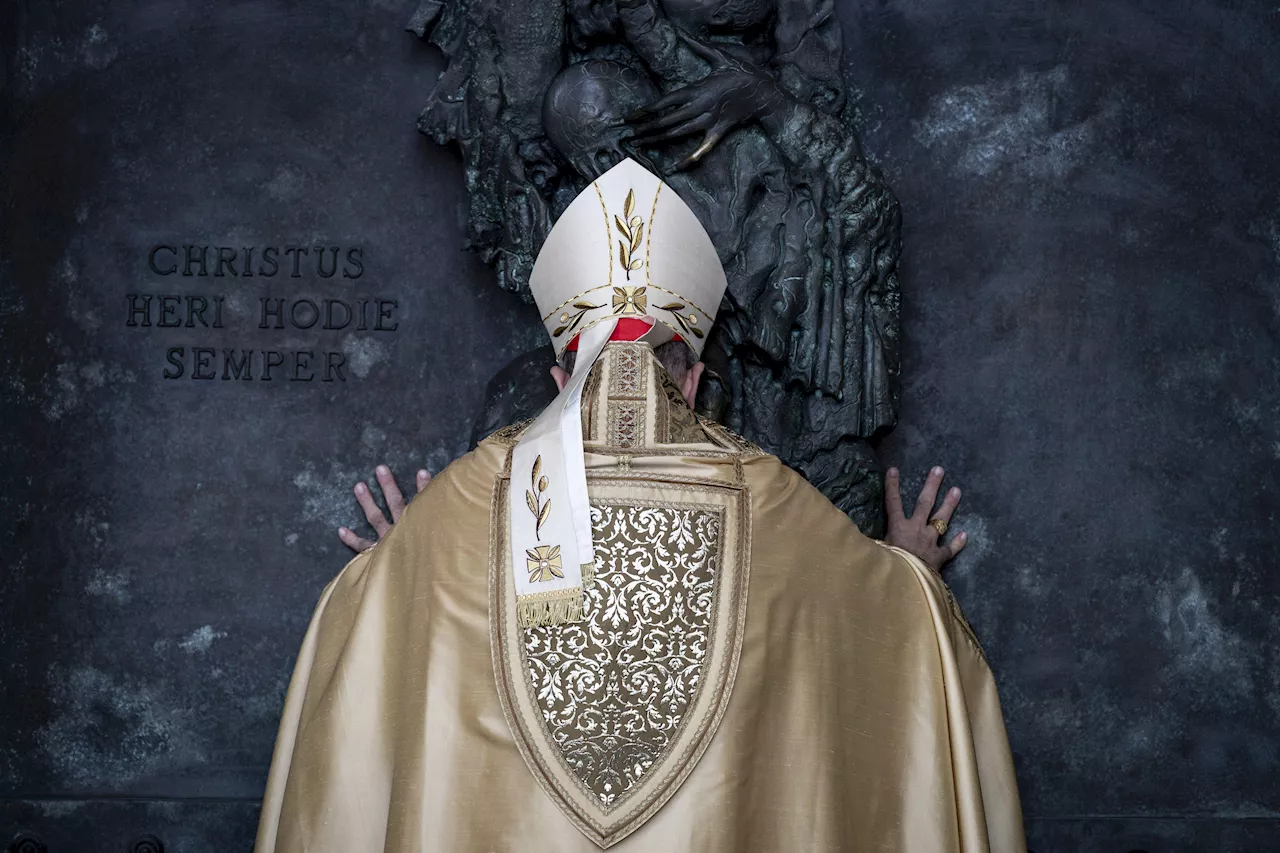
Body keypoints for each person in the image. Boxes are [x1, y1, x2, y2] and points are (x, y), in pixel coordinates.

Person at [256, 159, 1024, 851]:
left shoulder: (461, 505)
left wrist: (401, 576)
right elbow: (886, 634)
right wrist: (913, 574)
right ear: (691, 382)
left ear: (561, 380)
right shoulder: (780, 503)